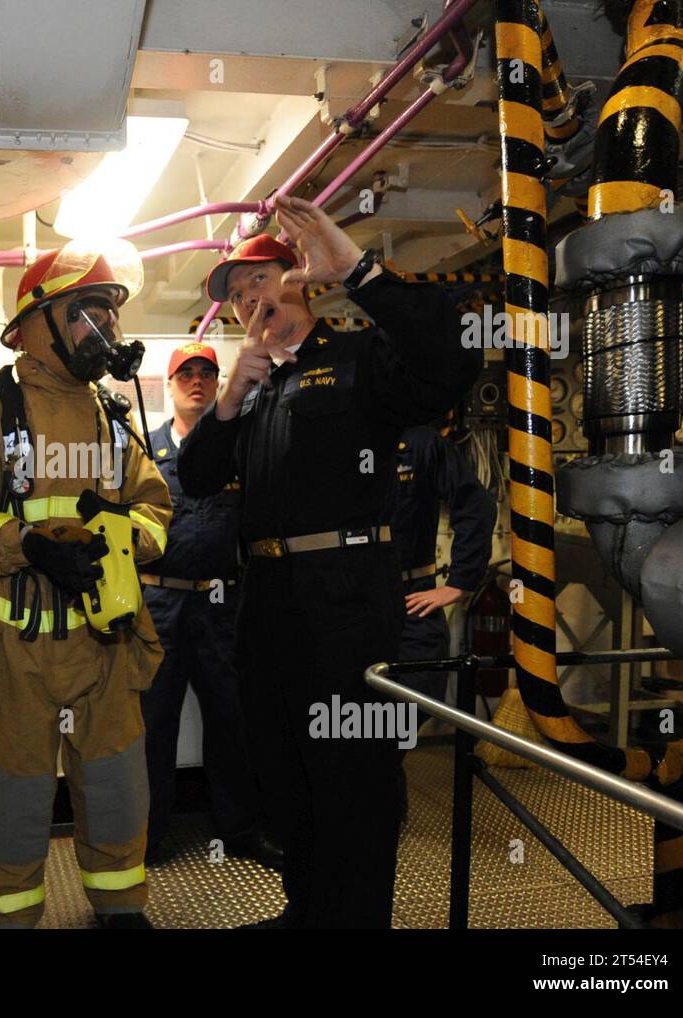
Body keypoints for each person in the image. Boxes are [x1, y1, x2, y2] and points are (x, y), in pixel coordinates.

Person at [178, 197, 482, 928]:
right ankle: (307, 911)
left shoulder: (356, 358)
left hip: (344, 607)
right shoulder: (253, 390)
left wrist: (360, 272)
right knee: (284, 777)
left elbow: (451, 356)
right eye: (237, 294)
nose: (251, 300)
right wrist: (228, 400)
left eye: (262, 281)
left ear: (301, 278)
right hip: (269, 607)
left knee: (352, 783)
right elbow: (195, 478)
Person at [0, 245, 172, 928]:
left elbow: (159, 511)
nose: (103, 330)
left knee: (118, 790)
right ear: (37, 325)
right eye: (87, 313)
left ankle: (121, 908)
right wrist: (27, 546)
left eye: (108, 316)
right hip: (17, 648)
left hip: (107, 643)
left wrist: (118, 540)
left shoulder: (114, 424)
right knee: (14, 799)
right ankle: (11, 917)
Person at [140, 342, 282, 870]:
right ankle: (149, 838)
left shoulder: (239, 446)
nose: (196, 382)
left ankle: (241, 829)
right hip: (159, 602)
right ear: (170, 383)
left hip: (224, 604)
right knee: (154, 722)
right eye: (186, 374)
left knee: (232, 717)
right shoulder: (142, 449)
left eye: (206, 373)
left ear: (219, 382)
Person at [392, 423, 496, 821]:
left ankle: (383, 793)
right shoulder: (343, 433)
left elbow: (477, 505)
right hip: (352, 602)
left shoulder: (420, 442)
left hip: (411, 598)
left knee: (419, 692)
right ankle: (377, 810)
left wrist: (459, 584)